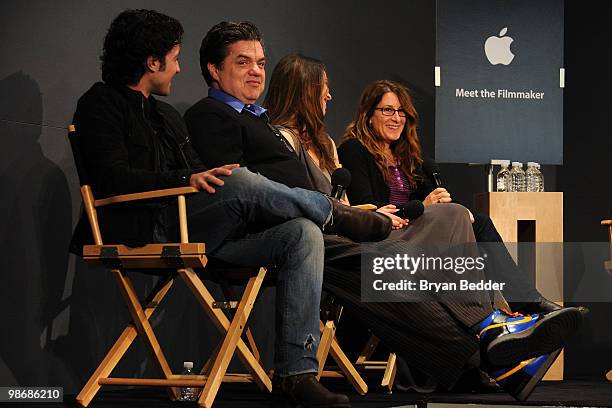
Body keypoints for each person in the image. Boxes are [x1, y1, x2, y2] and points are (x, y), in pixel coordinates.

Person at [184, 22, 583, 403]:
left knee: (450, 224)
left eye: (260, 63)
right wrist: (344, 212)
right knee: (402, 261)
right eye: (242, 62)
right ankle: (492, 340)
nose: (255, 72)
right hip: (287, 232)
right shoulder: (215, 115)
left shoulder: (264, 123)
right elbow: (238, 191)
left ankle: (495, 337)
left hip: (323, 227)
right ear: (214, 68)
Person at [69, 10, 394, 408]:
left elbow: (194, 171)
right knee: (239, 178)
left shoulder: (165, 115)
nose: (178, 67)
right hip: (140, 228)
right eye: (173, 58)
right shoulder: (100, 103)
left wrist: (197, 178)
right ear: (152, 62)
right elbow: (110, 181)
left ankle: (296, 373)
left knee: (302, 234)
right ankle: (332, 212)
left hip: (199, 228)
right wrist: (186, 181)